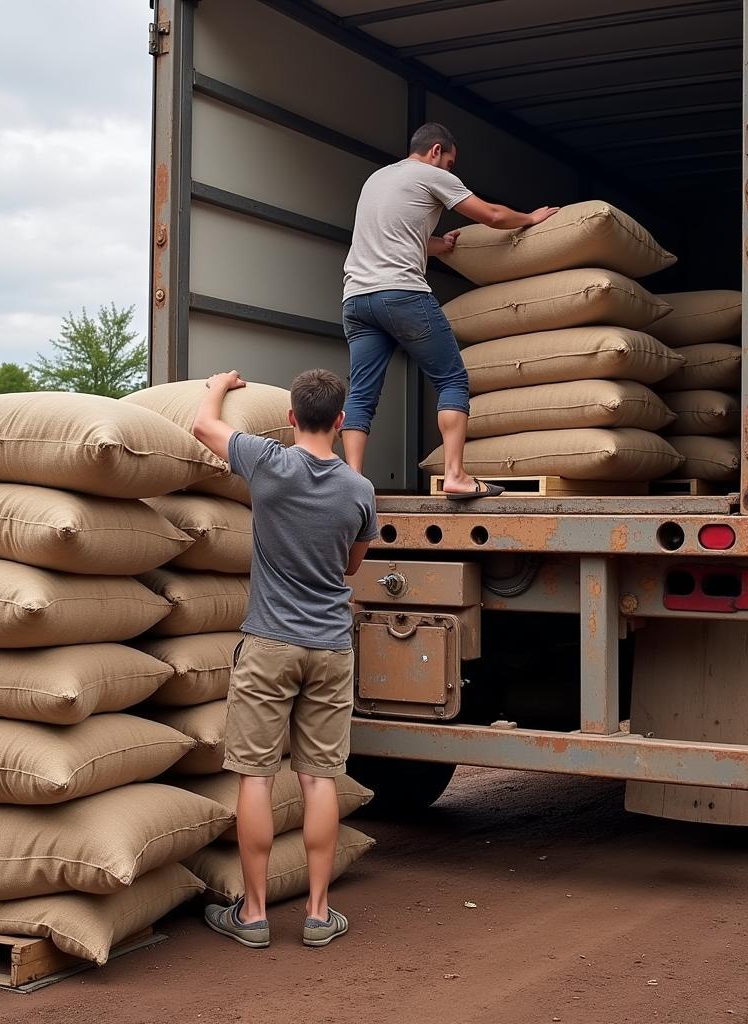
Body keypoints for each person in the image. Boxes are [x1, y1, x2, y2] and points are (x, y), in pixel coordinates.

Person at [191, 367, 377, 949]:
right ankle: (319, 913)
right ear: (341, 421)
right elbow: (352, 565)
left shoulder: (267, 462)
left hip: (270, 643)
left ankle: (254, 913)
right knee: (320, 778)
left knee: (256, 775)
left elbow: (202, 424)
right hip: (330, 647)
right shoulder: (359, 491)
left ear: (292, 418)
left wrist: (221, 382)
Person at [342, 121, 560, 498]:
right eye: (450, 162)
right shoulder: (429, 173)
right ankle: (456, 475)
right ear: (436, 150)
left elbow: (393, 236)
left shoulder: (376, 179)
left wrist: (438, 246)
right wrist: (529, 218)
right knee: (452, 379)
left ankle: (350, 483)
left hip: (356, 299)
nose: (450, 171)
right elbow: (490, 215)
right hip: (402, 294)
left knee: (362, 394)